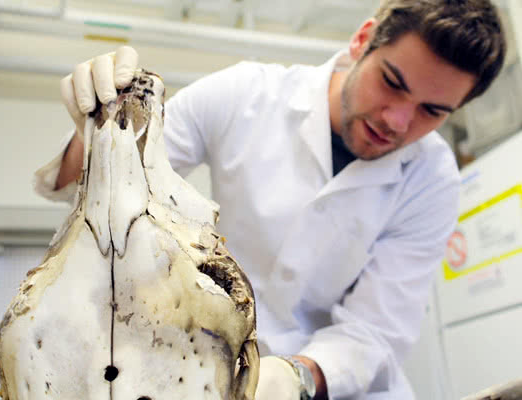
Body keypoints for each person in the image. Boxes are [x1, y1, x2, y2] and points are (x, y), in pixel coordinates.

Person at [35, 0, 506, 398]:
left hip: (334, 386)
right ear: (363, 40)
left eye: (432, 111)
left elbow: (376, 331)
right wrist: (97, 127)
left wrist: (294, 377)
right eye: (392, 83)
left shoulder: (432, 177)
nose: (398, 122)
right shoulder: (247, 93)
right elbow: (113, 180)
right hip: (211, 365)